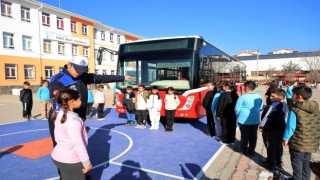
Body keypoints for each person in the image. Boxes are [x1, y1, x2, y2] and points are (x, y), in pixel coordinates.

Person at [48, 56, 131, 146]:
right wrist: (67, 121)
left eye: (82, 70)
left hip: (79, 117)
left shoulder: (83, 76)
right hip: (64, 119)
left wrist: (122, 78)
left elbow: (101, 78)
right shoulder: (58, 80)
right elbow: (56, 104)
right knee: (63, 146)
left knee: (78, 144)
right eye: (77, 70)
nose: (79, 73)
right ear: (69, 65)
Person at [51, 89, 92, 180]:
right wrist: (86, 162)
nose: (81, 101)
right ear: (72, 102)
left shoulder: (59, 115)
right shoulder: (74, 121)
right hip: (71, 160)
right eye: (79, 99)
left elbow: (65, 132)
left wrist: (82, 131)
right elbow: (77, 143)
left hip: (58, 156)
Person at [283, 86, 320, 180]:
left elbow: (290, 127)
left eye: (293, 94)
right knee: (307, 162)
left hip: (298, 143)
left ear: (299, 97)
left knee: (297, 163)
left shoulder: (294, 110)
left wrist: (286, 138)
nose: (292, 96)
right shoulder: (315, 107)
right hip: (311, 142)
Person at [259, 89, 287, 170]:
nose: (270, 98)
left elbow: (266, 117)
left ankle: (271, 163)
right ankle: (278, 163)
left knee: (271, 146)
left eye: (273, 96)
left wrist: (261, 126)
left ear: (281, 97)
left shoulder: (272, 106)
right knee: (278, 145)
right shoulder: (284, 105)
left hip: (271, 130)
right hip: (281, 129)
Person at [235, 81, 263, 155]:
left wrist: (238, 115)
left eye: (244, 86)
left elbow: (237, 109)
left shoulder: (243, 97)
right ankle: (251, 150)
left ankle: (244, 150)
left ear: (246, 87)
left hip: (244, 120)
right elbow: (260, 107)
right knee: (253, 136)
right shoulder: (259, 96)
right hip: (255, 120)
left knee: (244, 136)